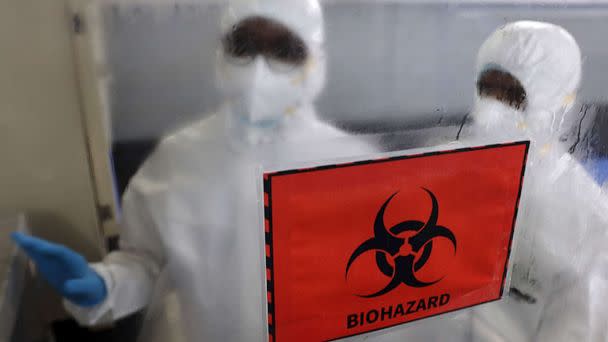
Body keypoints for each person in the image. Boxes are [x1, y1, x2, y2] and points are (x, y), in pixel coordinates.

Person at [12, 1, 375, 341]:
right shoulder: (181, 156)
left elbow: (381, 284)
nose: (259, 69)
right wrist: (103, 284)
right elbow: (145, 262)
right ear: (221, 54)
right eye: (244, 45)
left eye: (284, 50)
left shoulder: (353, 164)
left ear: (316, 61)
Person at [462, 21, 608, 341]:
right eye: (487, 89)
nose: (493, 109)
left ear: (558, 103)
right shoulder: (452, 178)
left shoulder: (589, 225)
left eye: (513, 94)